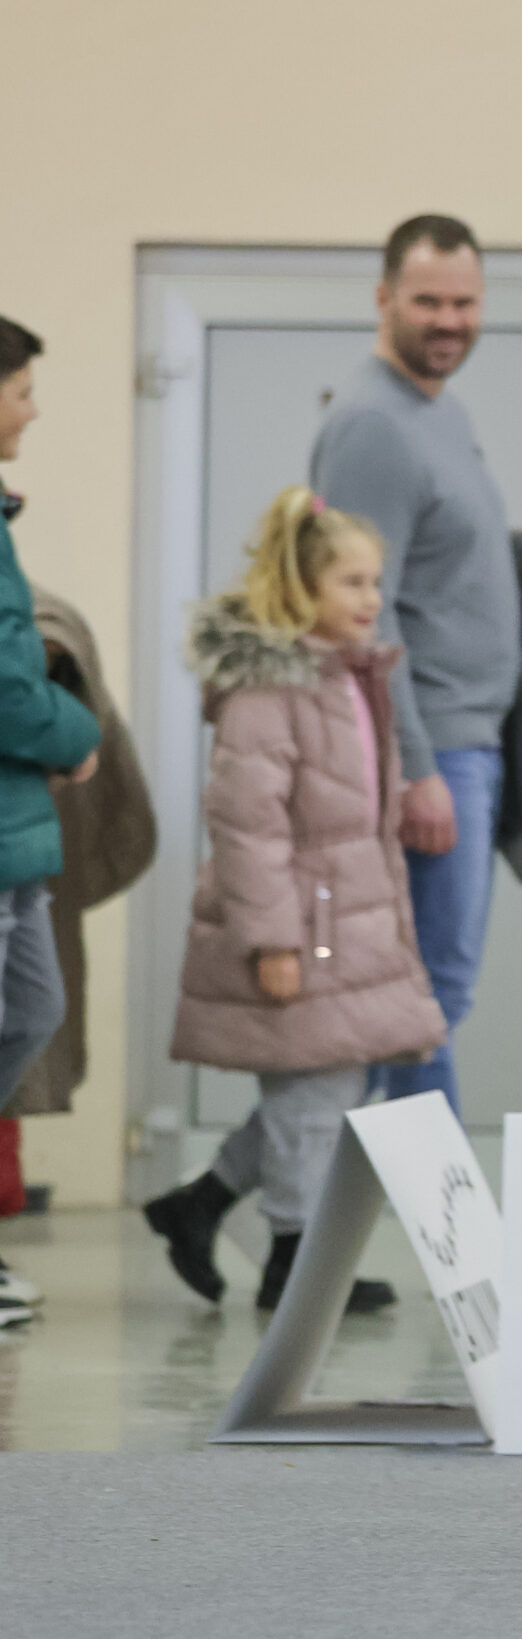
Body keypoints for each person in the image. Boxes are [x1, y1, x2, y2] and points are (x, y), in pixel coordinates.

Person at [142, 490, 447, 1312]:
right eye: (351, 582)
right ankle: (293, 1261)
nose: (371, 599)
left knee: (332, 1089)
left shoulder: (354, 676)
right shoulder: (268, 691)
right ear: (299, 588)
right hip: (300, 926)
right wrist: (271, 939)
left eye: (375, 582)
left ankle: (201, 1204)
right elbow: (247, 824)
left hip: (349, 918)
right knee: (312, 1098)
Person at [309, 214, 522, 1117]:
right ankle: (442, 1211)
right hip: (432, 751)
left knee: (424, 1000)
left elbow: (435, 570)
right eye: (427, 300)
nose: (449, 321)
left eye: (464, 303)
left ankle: (239, 1183)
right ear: (383, 298)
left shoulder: (440, 412)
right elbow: (363, 610)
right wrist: (414, 768)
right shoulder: (371, 426)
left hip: (471, 741)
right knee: (424, 1002)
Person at [0, 315, 102, 1326]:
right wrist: (77, 730)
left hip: (16, 831)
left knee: (31, 1011)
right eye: (22, 388)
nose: (32, 409)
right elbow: (4, 684)